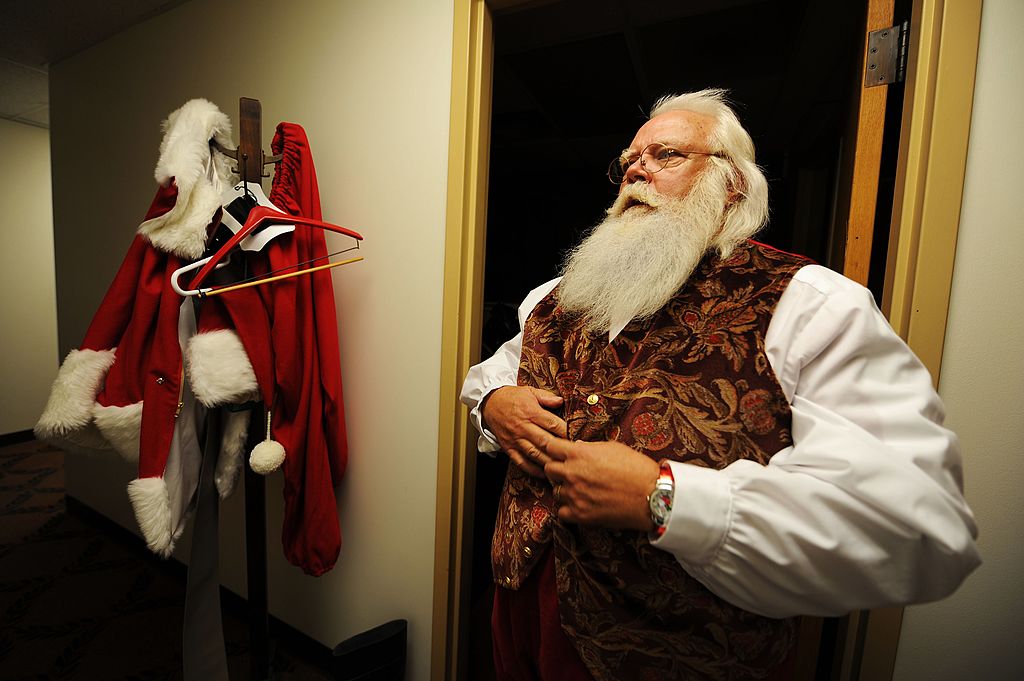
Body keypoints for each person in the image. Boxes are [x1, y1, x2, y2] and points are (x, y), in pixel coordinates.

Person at [460, 89, 980, 681]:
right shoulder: (556, 298)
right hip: (520, 611)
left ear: (731, 183)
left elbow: (916, 526)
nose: (635, 170)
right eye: (627, 161)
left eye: (667, 155)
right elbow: (492, 376)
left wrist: (667, 500)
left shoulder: (810, 304)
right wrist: (495, 405)